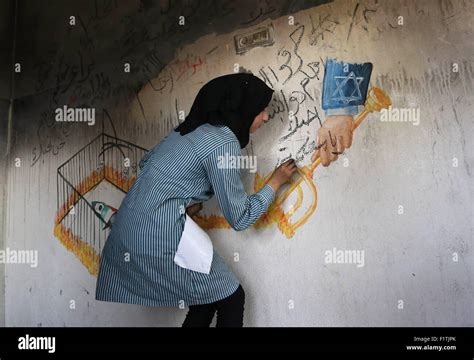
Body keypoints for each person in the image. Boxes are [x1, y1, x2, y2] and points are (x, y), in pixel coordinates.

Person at [95, 73, 298, 327]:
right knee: (232, 297)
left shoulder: (188, 129)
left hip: (127, 228)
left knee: (207, 299)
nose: (266, 116)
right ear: (243, 110)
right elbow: (240, 217)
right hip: (158, 236)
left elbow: (147, 164)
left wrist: (184, 198)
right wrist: (275, 182)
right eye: (261, 110)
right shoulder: (223, 143)